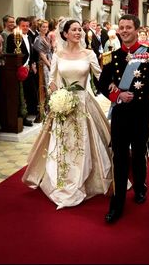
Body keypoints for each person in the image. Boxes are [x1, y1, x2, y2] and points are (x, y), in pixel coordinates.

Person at [22, 19, 113, 209]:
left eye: (80, 29)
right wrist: (57, 96)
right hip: (63, 105)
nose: (78, 32)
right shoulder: (58, 54)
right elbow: (53, 80)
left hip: (83, 103)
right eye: (74, 29)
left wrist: (116, 89)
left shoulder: (89, 54)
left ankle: (85, 179)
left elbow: (101, 77)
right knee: (63, 143)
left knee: (84, 142)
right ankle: (61, 179)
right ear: (65, 34)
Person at [98, 14, 149, 223]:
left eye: (129, 27)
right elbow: (101, 84)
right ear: (118, 30)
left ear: (137, 29)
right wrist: (116, 95)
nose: (125, 30)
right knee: (119, 158)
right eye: (122, 27)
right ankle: (117, 203)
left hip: (141, 113)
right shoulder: (112, 56)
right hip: (120, 115)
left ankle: (139, 187)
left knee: (138, 154)